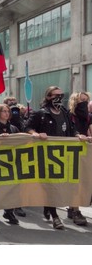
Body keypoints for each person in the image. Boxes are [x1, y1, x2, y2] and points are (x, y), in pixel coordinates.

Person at [24, 86, 85, 230]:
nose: (58, 98)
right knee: (50, 186)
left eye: (61, 95)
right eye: (55, 95)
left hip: (63, 155)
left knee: (64, 185)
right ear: (48, 97)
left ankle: (51, 207)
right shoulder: (41, 113)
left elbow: (71, 128)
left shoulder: (64, 112)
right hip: (47, 156)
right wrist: (36, 134)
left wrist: (78, 135)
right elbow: (27, 127)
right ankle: (55, 217)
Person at [66, 92, 91, 226]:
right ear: (75, 101)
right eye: (82, 100)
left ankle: (72, 207)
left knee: (83, 181)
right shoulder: (70, 116)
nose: (84, 103)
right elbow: (69, 131)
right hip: (72, 152)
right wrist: (77, 135)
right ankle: (75, 210)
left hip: (85, 152)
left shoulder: (89, 117)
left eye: (86, 101)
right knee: (75, 181)